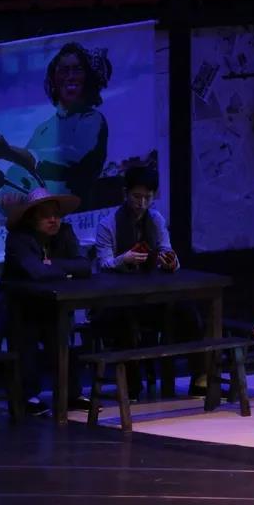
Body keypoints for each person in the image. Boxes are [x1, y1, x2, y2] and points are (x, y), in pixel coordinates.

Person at [94, 167, 205, 398]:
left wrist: (169, 261)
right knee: (123, 320)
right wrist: (124, 259)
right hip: (118, 299)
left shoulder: (155, 220)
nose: (142, 203)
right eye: (137, 196)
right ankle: (131, 386)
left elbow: (167, 251)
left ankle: (200, 378)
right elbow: (103, 264)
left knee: (188, 311)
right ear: (125, 193)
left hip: (152, 296)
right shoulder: (108, 224)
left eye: (148, 197)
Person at [0, 42, 112, 209]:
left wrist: (8, 151)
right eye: (64, 70)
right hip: (41, 215)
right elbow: (19, 171)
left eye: (77, 69)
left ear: (88, 78)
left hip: (73, 213)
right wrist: (8, 194)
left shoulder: (92, 120)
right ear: (53, 80)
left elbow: (64, 157)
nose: (70, 76)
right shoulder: (43, 129)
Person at [0, 187, 93, 414]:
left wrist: (55, 264)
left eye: (56, 215)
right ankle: (27, 395)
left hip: (54, 304)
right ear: (32, 218)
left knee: (62, 335)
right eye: (46, 215)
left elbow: (84, 266)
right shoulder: (19, 238)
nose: (53, 220)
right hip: (23, 305)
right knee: (26, 337)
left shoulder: (65, 233)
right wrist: (65, 271)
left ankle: (71, 393)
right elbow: (36, 272)